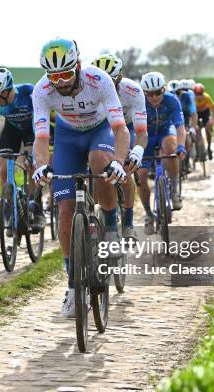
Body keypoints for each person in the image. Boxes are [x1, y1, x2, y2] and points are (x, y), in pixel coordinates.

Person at [31, 38, 130, 318]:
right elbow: (40, 137)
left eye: (65, 73)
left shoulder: (99, 81)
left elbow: (121, 130)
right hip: (67, 137)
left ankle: (110, 226)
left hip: (100, 131)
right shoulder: (42, 90)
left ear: (77, 65)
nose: (60, 82)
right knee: (64, 211)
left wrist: (119, 163)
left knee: (100, 163)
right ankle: (73, 286)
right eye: (53, 76)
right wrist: (41, 164)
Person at [0, 67, 44, 230]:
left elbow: (38, 129)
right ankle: (12, 207)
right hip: (11, 129)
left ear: (7, 91)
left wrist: (34, 155)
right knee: (3, 166)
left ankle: (36, 203)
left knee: (31, 165)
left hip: (32, 128)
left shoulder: (29, 93)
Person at [92, 53, 147, 240]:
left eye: (111, 81)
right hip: (101, 128)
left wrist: (138, 151)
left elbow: (141, 131)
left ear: (120, 78)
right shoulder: (90, 89)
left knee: (124, 169)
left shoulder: (133, 90)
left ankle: (128, 223)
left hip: (128, 127)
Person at [138, 72, 187, 234]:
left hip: (165, 131)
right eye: (149, 94)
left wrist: (181, 146)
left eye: (158, 92)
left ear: (164, 89)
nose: (154, 97)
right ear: (144, 93)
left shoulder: (172, 100)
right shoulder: (139, 103)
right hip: (145, 136)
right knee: (141, 176)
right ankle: (148, 214)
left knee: (171, 148)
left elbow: (180, 127)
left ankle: (173, 189)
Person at [176, 79, 198, 171]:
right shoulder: (170, 98)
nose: (177, 94)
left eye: (178, 92)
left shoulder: (187, 97)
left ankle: (187, 160)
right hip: (174, 122)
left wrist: (193, 127)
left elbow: (193, 113)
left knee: (187, 140)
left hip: (185, 121)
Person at [193, 82, 214, 160]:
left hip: (205, 113)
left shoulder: (207, 97)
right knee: (197, 130)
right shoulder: (192, 98)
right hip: (196, 114)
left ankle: (209, 148)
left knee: (208, 128)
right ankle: (198, 150)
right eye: (197, 94)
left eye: (201, 94)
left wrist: (212, 121)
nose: (199, 96)